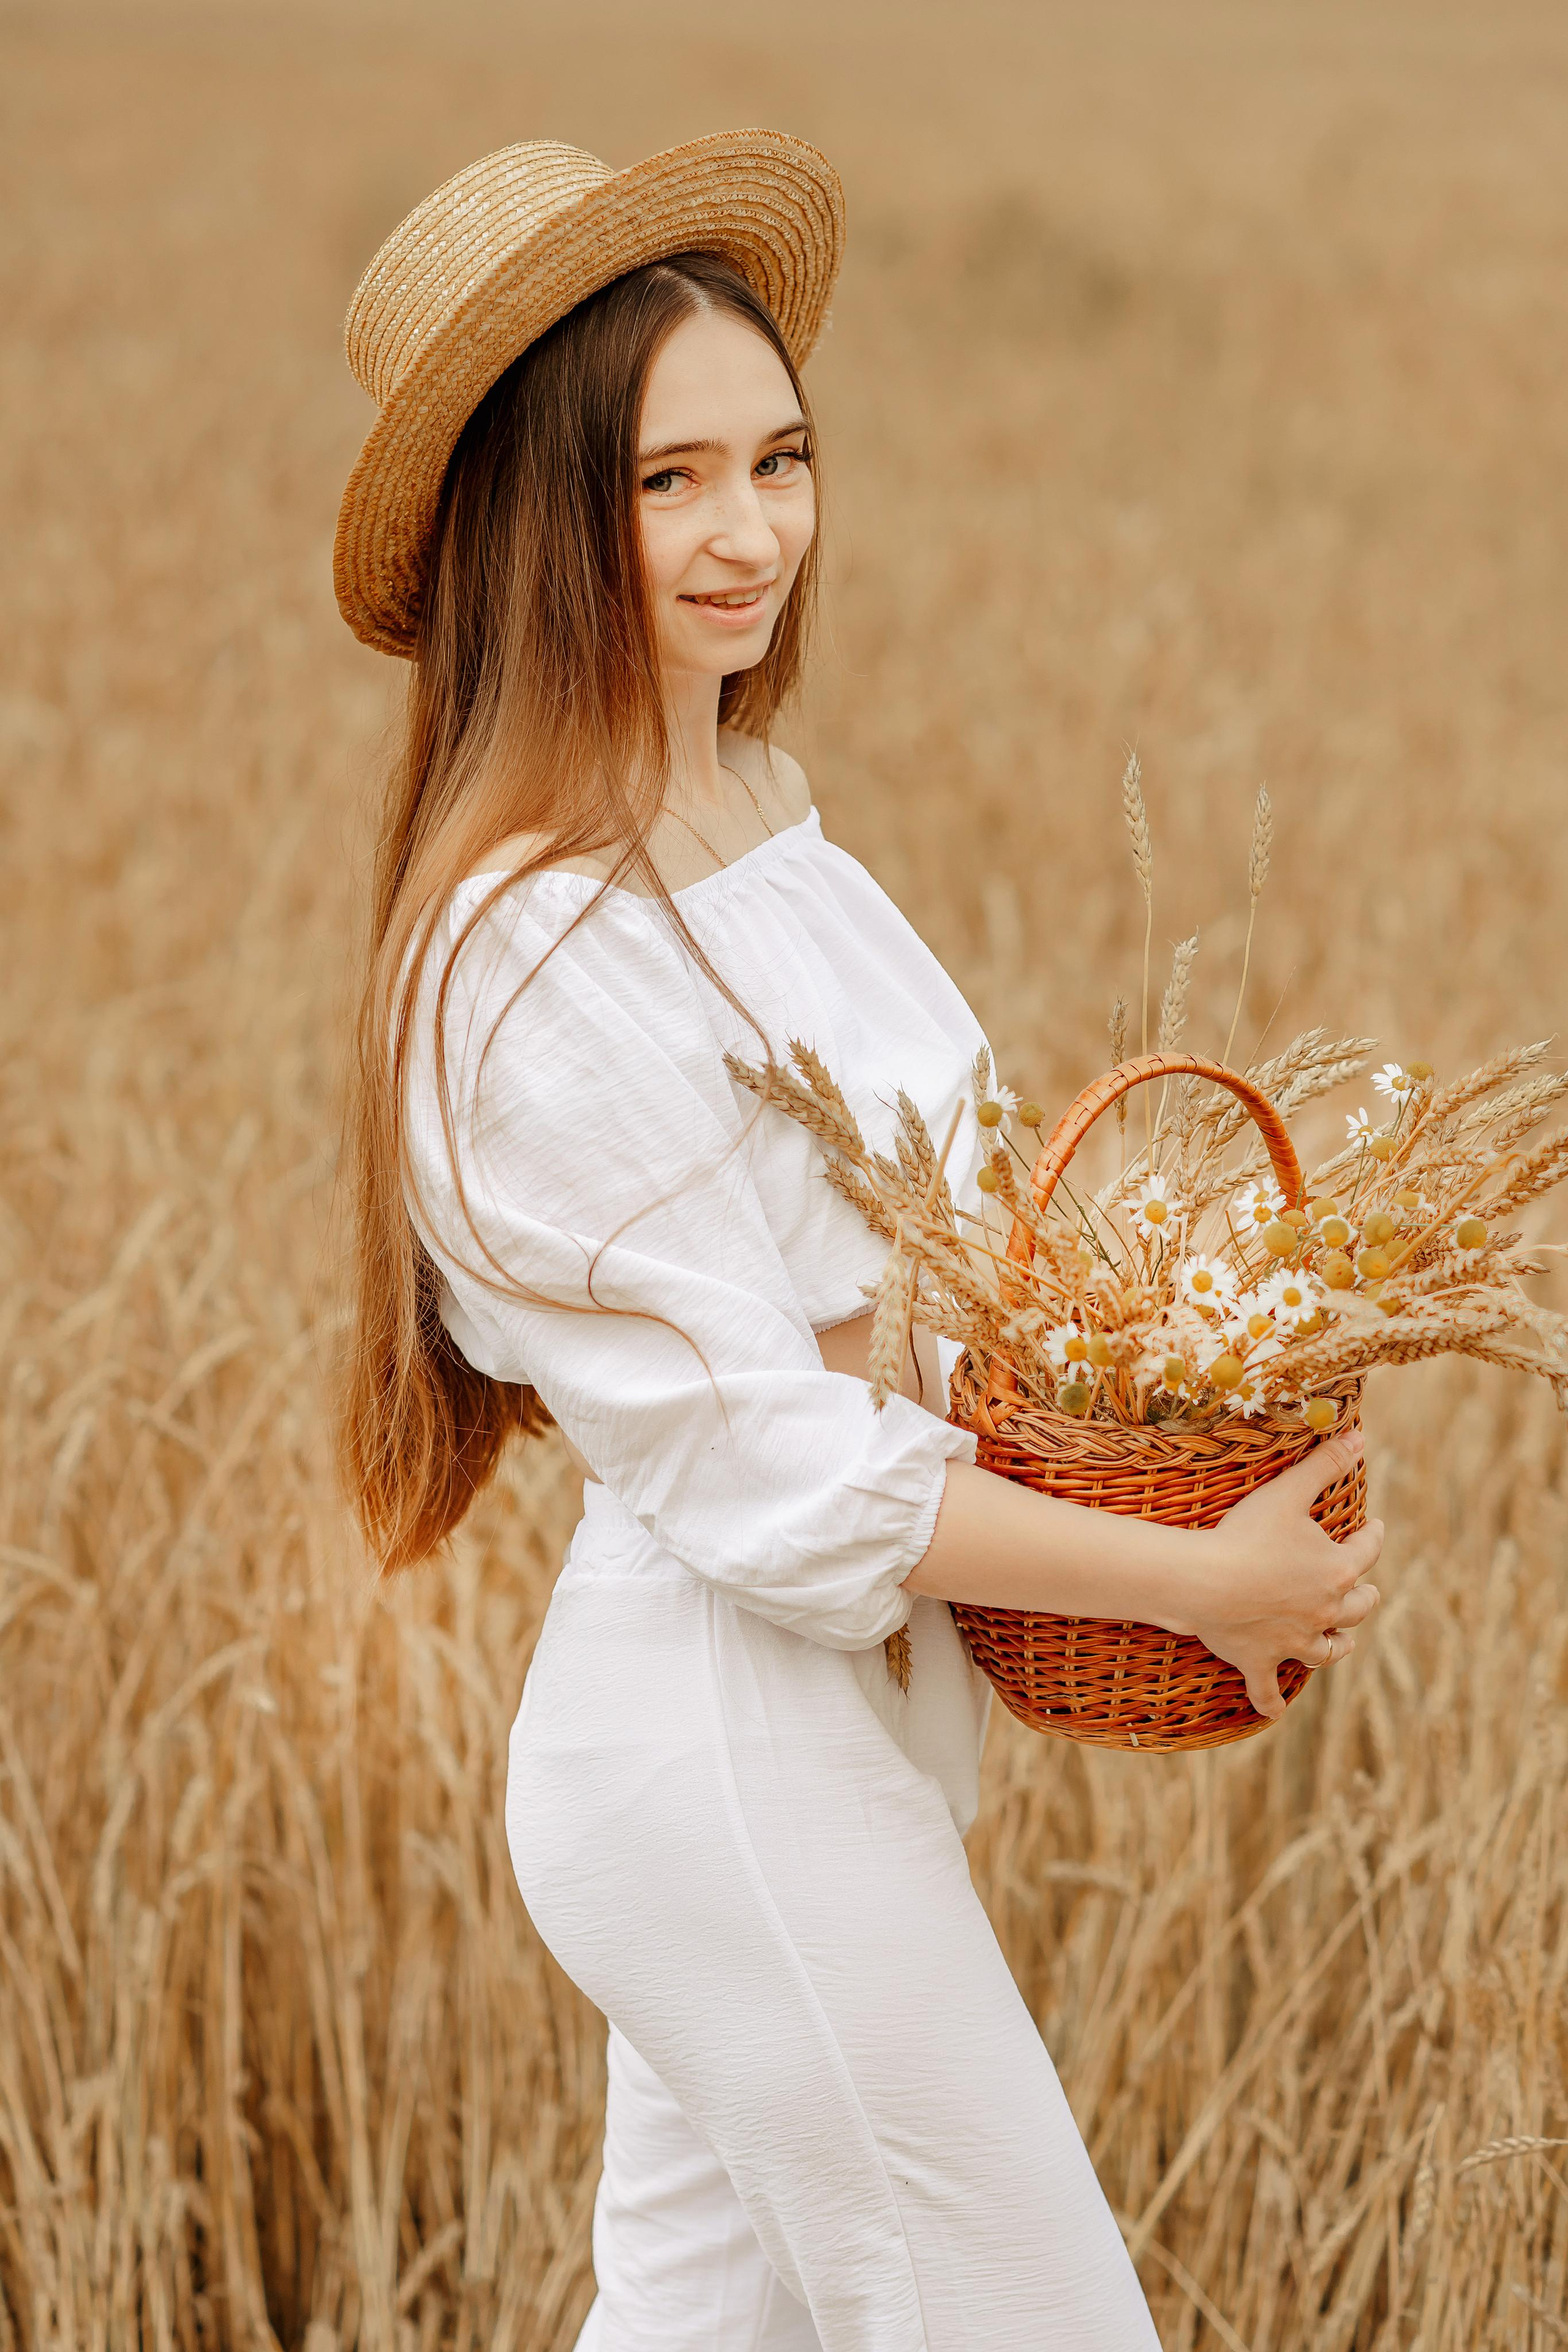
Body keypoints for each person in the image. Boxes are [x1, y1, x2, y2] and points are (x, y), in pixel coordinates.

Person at [333, 132, 1383, 2351]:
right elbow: (768, 1461)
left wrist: (1168, 1358)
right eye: (670, 482)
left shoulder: (760, 817)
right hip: (726, 1753)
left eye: (781, 459)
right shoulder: (518, 955)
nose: (753, 534)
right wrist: (1196, 1579)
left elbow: (933, 1263)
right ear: (535, 521)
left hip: (825, 1737)